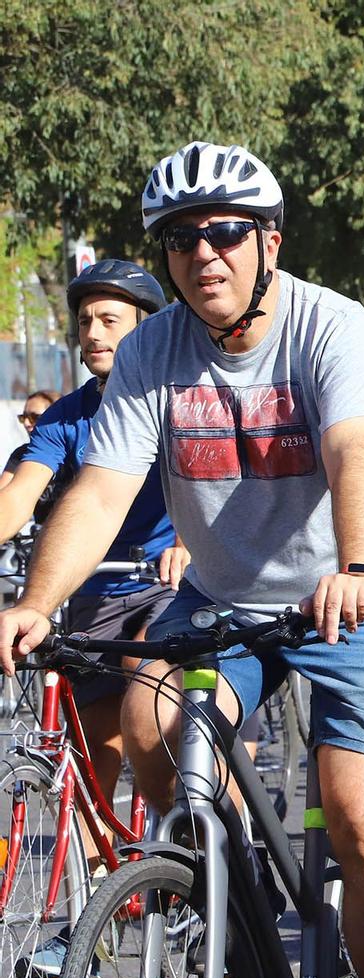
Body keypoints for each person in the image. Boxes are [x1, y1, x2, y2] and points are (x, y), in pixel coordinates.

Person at [0, 141, 364, 978]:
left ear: (267, 240)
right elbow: (101, 489)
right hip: (225, 595)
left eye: (225, 232)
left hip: (357, 597)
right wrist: (34, 602)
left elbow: (353, 453)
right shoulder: (152, 353)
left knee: (363, 815)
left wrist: (357, 565)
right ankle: (225, 887)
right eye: (181, 238)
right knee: (147, 718)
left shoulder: (335, 327)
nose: (204, 253)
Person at [0, 259, 189, 799]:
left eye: (110, 320)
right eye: (85, 321)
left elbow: (213, 490)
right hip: (94, 592)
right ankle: (100, 878)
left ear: (146, 327)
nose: (93, 333)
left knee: (146, 675)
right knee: (89, 773)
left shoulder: (176, 402)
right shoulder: (65, 415)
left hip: (164, 586)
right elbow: (17, 496)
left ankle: (176, 843)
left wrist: (184, 544)